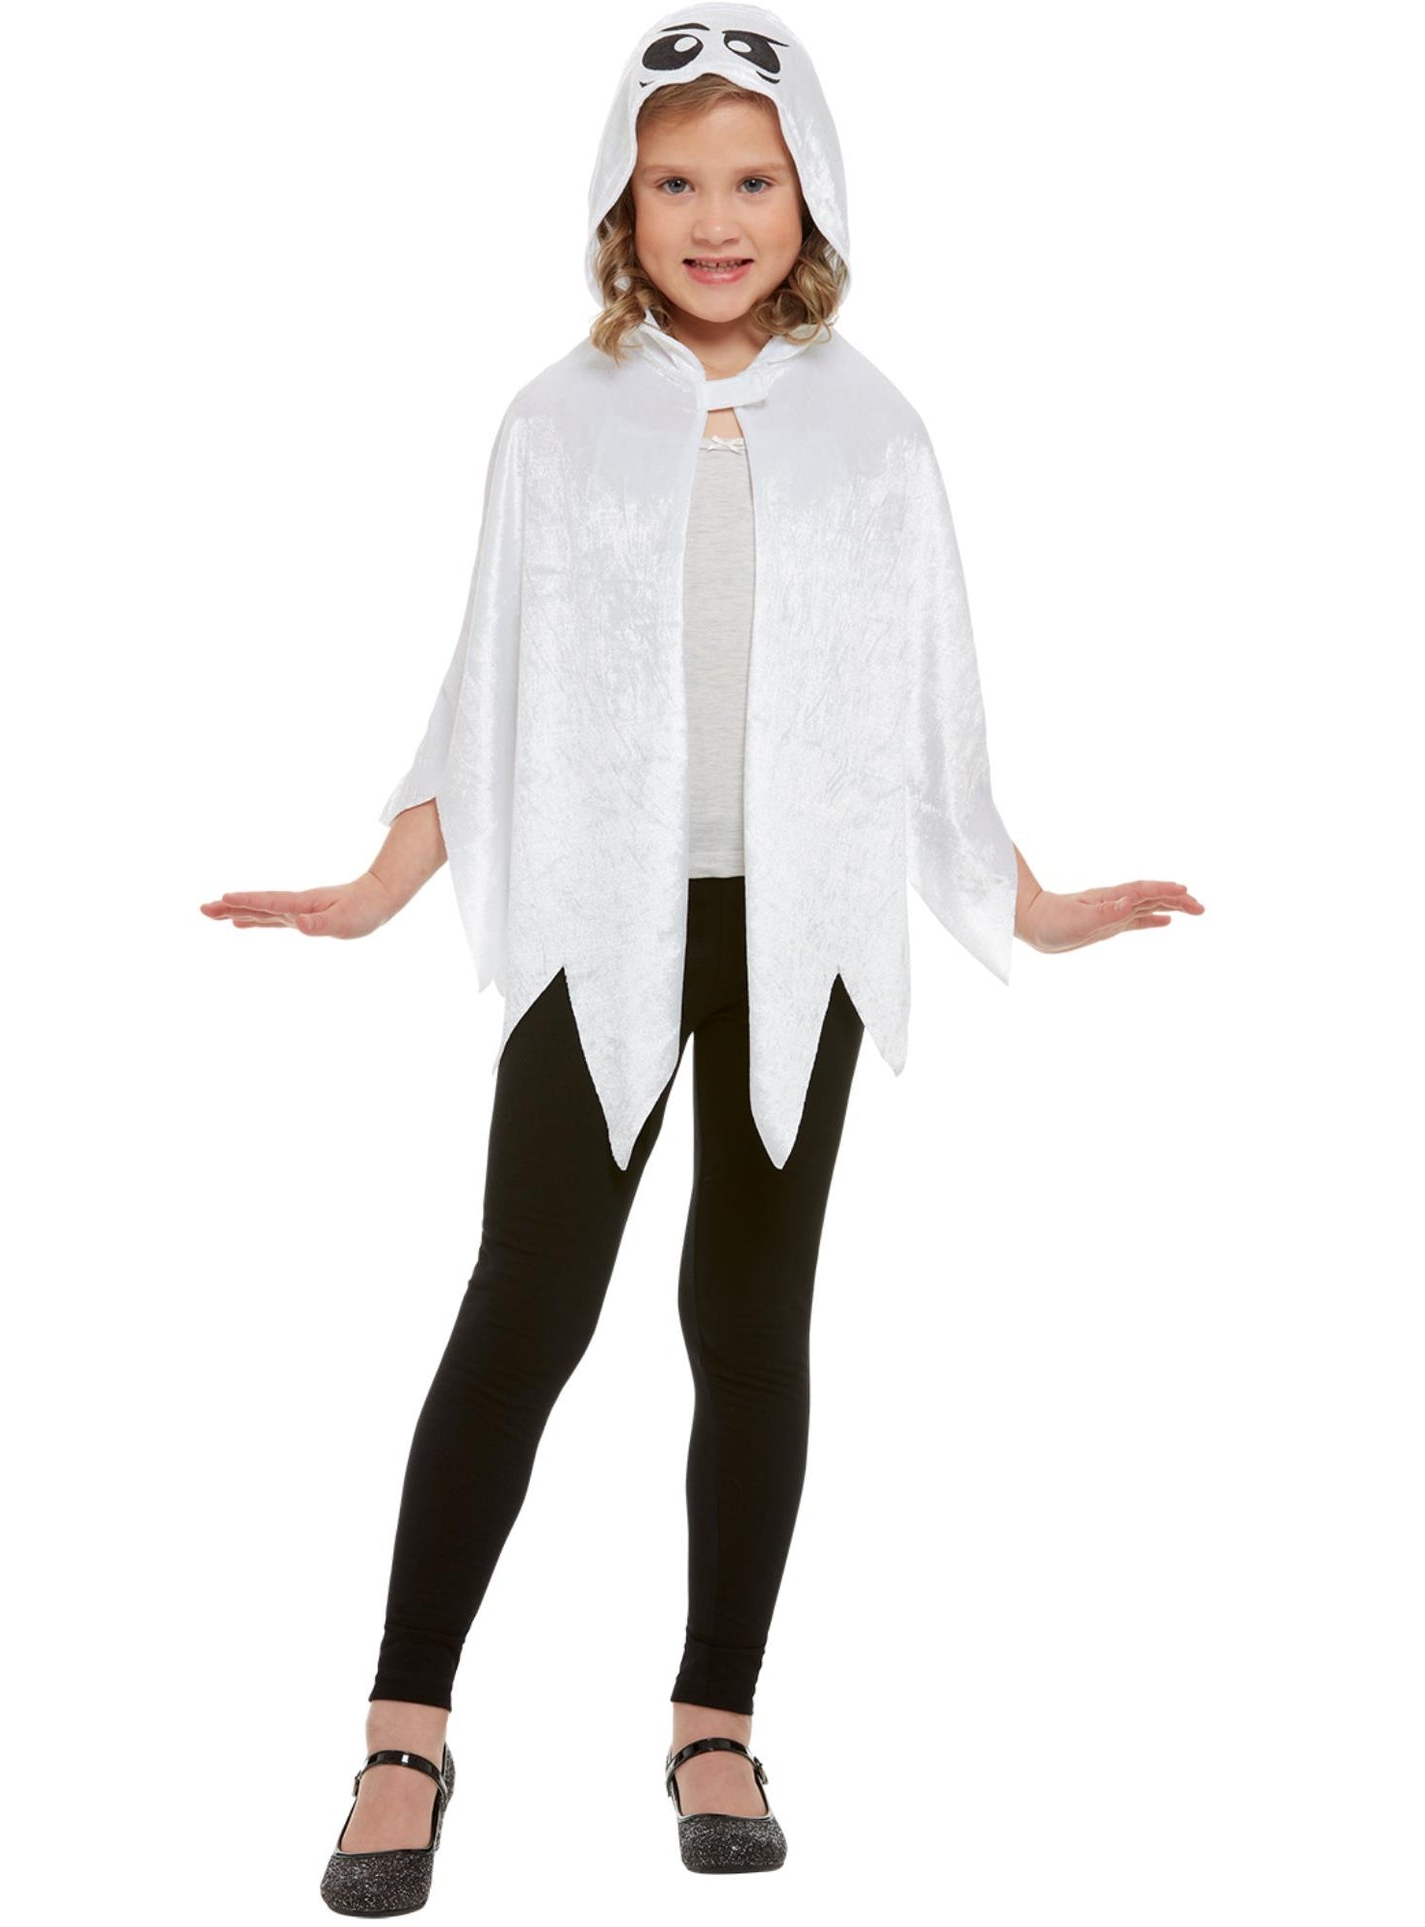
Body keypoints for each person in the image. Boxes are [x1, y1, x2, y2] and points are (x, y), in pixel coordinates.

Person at [201, 5, 1203, 1902]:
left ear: (810, 195)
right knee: (524, 1309)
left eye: (752, 180)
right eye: (676, 183)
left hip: (792, 936)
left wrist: (1033, 904)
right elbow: (487, 686)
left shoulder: (875, 434)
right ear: (621, 201)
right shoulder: (553, 424)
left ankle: (713, 1719)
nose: (716, 220)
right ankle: (403, 1733)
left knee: (748, 1327)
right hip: (600, 925)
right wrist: (378, 884)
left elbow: (927, 715)